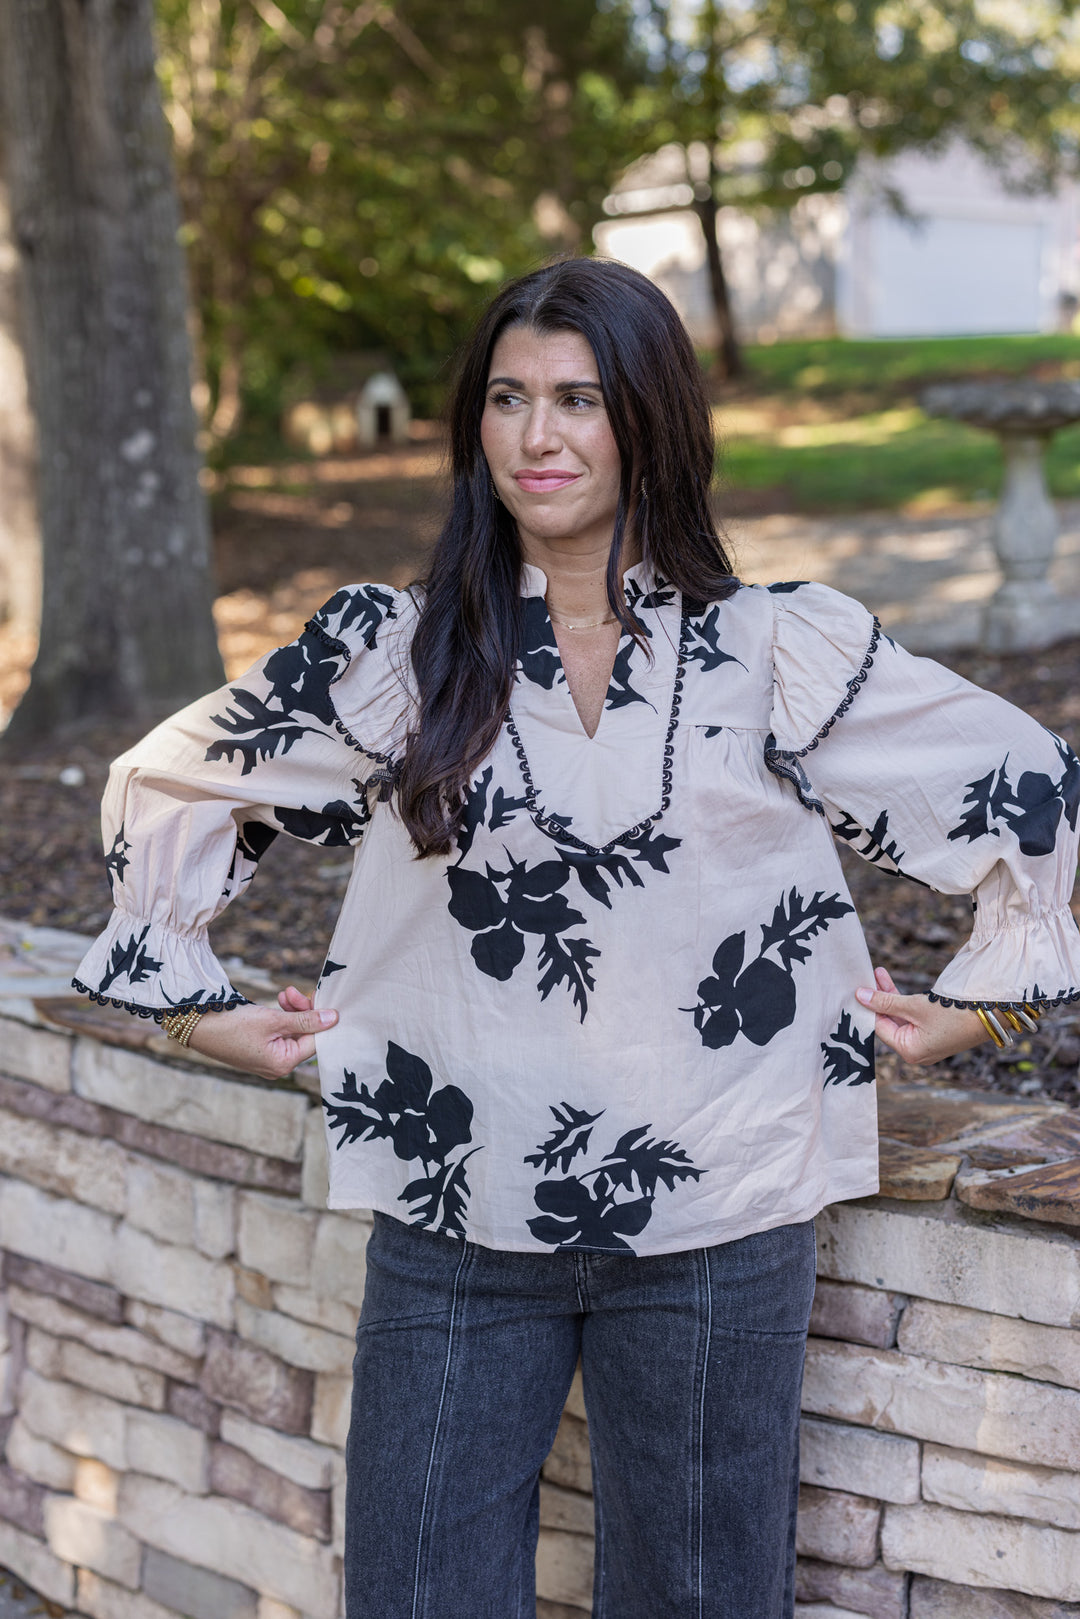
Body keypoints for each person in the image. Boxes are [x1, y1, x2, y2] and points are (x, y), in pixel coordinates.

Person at [74, 257, 1080, 1619]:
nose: (536, 436)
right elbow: (174, 779)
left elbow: (1026, 786)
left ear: (650, 419)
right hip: (455, 1213)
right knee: (419, 1596)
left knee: (701, 1603)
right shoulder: (400, 654)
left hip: (727, 1209)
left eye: (579, 399)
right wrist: (190, 1006)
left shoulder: (773, 649)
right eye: (507, 398)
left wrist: (995, 997)